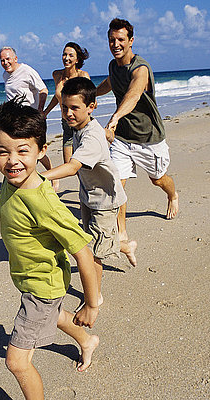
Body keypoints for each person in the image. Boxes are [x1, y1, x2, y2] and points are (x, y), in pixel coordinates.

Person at [0, 98, 100, 399]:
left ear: (41, 152)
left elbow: (83, 252)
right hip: (32, 279)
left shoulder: (44, 202)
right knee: (55, 315)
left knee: (16, 362)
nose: (12, 160)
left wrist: (91, 304)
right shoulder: (11, 180)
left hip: (42, 286)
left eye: (23, 151)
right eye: (3, 152)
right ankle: (87, 342)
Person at [42, 77, 137, 298]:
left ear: (91, 107)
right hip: (88, 196)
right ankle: (126, 246)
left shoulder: (91, 136)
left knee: (93, 254)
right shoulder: (82, 127)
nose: (68, 113)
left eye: (75, 108)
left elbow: (73, 167)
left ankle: (95, 297)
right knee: (93, 243)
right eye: (65, 107)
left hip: (105, 201)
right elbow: (101, 134)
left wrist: (40, 177)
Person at [96, 18, 179, 243]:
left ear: (131, 41)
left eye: (120, 39)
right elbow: (110, 82)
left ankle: (172, 194)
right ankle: (121, 231)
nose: (116, 44)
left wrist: (115, 117)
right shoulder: (113, 66)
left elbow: (133, 94)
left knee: (158, 179)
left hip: (149, 137)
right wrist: (91, 94)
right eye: (111, 40)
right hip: (123, 138)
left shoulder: (141, 68)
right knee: (116, 183)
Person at [0, 46, 55, 185]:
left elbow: (43, 89)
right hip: (15, 120)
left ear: (15, 58)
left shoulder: (27, 71)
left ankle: (53, 175)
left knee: (36, 150)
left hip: (31, 118)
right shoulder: (5, 75)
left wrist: (40, 110)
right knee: (20, 151)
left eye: (8, 59)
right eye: (2, 60)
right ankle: (25, 180)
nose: (5, 63)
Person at [42, 42, 91, 163]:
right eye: (64, 54)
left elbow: (91, 100)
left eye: (70, 55)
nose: (66, 58)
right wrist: (45, 112)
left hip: (81, 124)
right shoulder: (57, 75)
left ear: (77, 59)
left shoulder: (83, 76)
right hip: (66, 123)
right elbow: (58, 97)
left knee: (83, 163)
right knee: (68, 163)